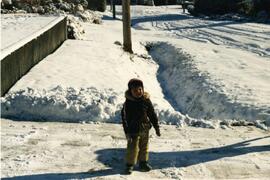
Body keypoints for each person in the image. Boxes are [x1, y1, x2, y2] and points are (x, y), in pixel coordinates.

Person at [121, 78, 161, 174]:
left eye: (140, 89)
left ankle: (143, 162)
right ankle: (130, 165)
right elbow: (124, 118)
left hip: (145, 128)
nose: (138, 92)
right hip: (132, 129)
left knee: (144, 147)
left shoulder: (146, 101)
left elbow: (152, 114)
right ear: (130, 91)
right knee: (132, 148)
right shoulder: (128, 103)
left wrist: (156, 127)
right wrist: (127, 131)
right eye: (135, 90)